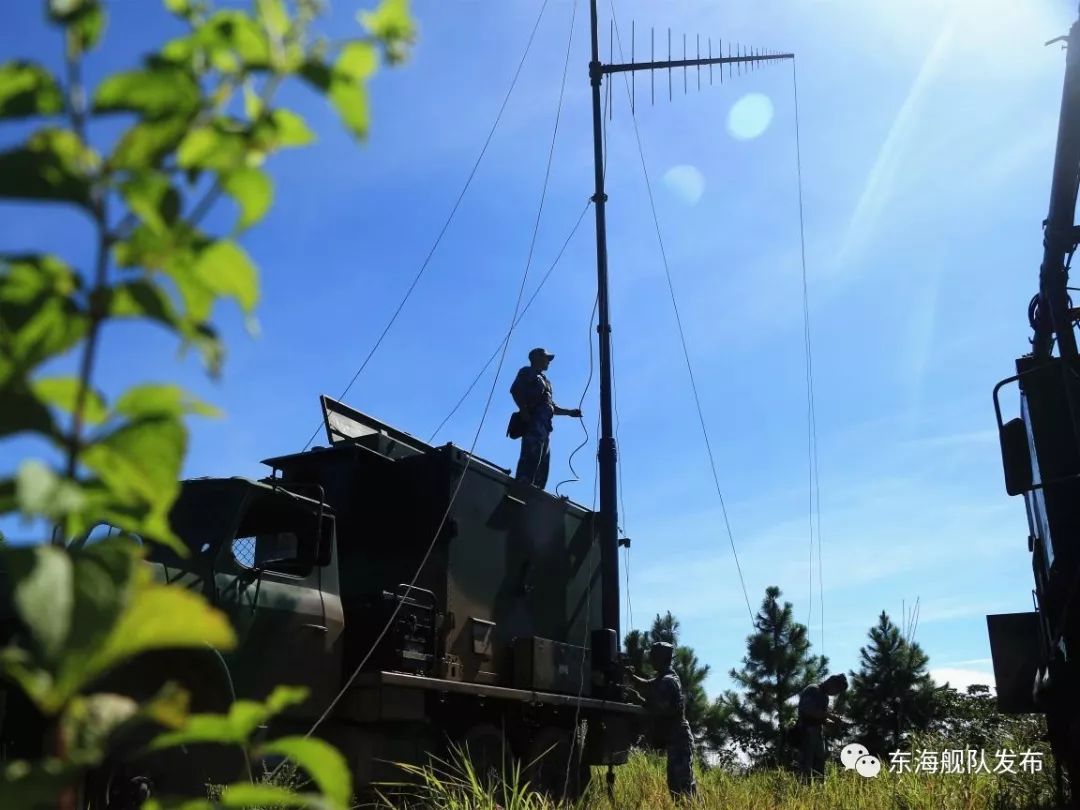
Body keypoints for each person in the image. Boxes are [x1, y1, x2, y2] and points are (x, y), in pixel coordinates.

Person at [624, 642, 697, 799]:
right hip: (676, 739)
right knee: (678, 785)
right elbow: (648, 685)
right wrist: (632, 678)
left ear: (662, 658)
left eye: (653, 656)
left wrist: (640, 701)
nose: (650, 659)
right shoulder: (664, 677)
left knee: (681, 786)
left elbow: (661, 710)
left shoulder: (668, 681)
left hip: (678, 738)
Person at [509, 347, 581, 489]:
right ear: (537, 358)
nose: (548, 362)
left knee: (543, 462)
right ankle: (522, 486)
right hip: (533, 424)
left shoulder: (546, 381)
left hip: (544, 428)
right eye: (546, 358)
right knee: (530, 457)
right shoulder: (527, 372)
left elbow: (551, 406)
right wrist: (523, 410)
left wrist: (570, 412)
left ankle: (536, 489)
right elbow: (515, 390)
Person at [796, 673, 848, 780]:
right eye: (837, 690)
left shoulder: (824, 696)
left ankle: (818, 790)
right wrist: (831, 716)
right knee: (806, 765)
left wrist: (831, 723)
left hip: (817, 734)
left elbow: (820, 717)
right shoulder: (813, 689)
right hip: (806, 732)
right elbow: (808, 710)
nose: (835, 694)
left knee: (819, 765)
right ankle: (803, 791)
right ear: (831, 682)